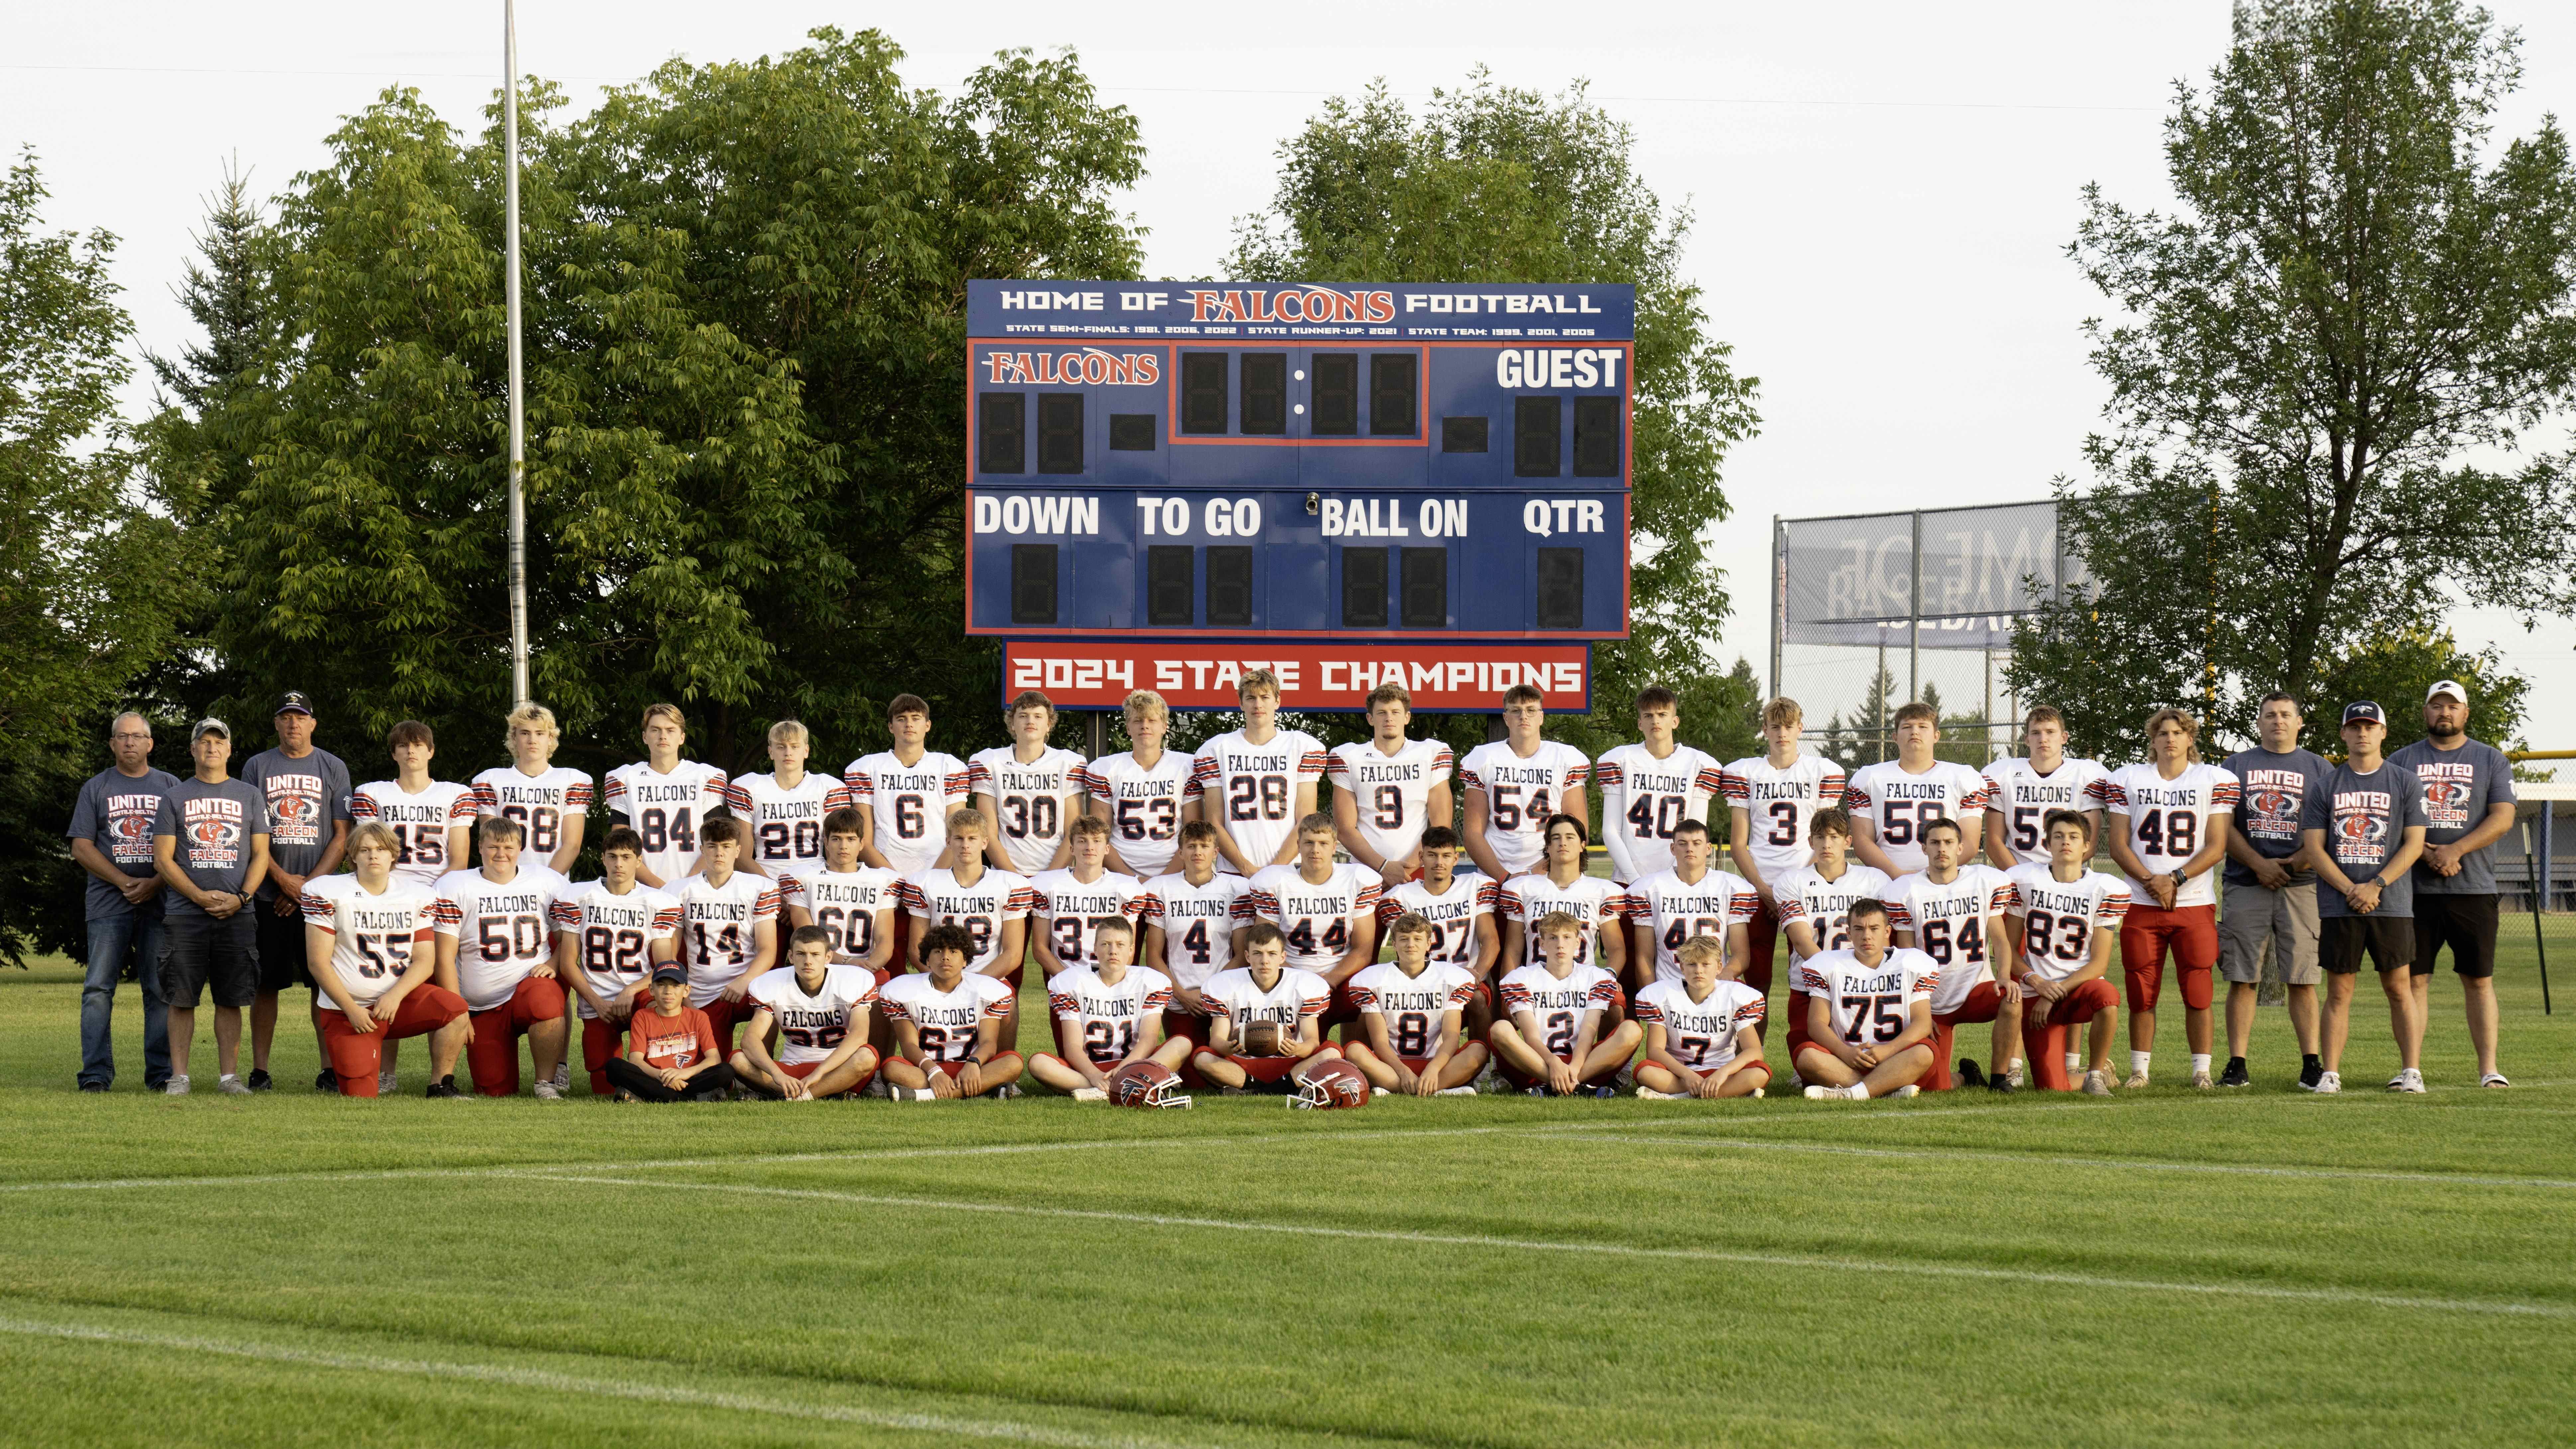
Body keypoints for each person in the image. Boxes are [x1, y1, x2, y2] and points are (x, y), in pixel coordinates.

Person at [2389, 679, 2520, 1088]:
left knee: (2478, 979)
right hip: (2413, 890)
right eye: (2436, 706)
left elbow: (2502, 816)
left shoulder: (2490, 759)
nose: (2443, 712)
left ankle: (2489, 1069)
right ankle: (2411, 1069)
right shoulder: (2401, 759)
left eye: (2452, 706)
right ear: (2424, 712)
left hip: (2474, 887)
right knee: (2415, 980)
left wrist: (2456, 850)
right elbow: (2390, 821)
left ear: (2465, 713)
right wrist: (2429, 854)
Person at [2101, 708, 2238, 1089]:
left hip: (2193, 901)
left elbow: (2217, 845)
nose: (2170, 739)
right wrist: (2151, 880)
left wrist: (2175, 878)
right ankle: (2139, 1070)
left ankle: (2202, 1071)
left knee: (2198, 988)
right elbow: (2117, 844)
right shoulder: (2128, 778)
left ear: (2190, 738)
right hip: (2143, 903)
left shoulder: (2213, 778)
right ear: (2153, 739)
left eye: (2178, 732)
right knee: (2140, 989)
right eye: (2163, 733)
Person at [2300, 701, 2429, 1095]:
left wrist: (2376, 884)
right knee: (2339, 990)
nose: (2361, 733)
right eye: (2354, 726)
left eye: (2369, 726)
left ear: (2383, 733)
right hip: (2340, 903)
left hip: (2390, 902)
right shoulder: (2325, 785)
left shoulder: (2405, 781)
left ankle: (2411, 1070)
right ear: (2342, 733)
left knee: (2398, 986)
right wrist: (2349, 889)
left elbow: (2414, 842)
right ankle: (2331, 1073)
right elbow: (2314, 848)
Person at [303, 821, 471, 1097]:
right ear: (353, 855)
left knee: (455, 1009)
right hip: (349, 1010)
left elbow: (424, 960)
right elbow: (317, 963)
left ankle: (441, 1084)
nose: (373, 856)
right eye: (365, 849)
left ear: (393, 855)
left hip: (400, 1004)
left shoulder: (416, 894)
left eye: (381, 849)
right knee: (360, 1094)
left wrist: (395, 996)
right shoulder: (329, 891)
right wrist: (352, 1009)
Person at [239, 692, 354, 1091]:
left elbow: (342, 836)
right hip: (269, 894)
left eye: (300, 717)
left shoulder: (332, 766)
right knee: (265, 983)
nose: (293, 724)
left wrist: (308, 886)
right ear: (276, 723)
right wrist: (283, 880)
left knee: (322, 982)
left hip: (317, 899)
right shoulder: (257, 766)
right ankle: (260, 1070)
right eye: (286, 717)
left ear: (312, 723)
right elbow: (251, 834)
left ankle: (328, 1069)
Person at [152, 718, 273, 1096]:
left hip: (238, 913)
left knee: (232, 996)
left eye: (219, 742)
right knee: (181, 997)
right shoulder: (174, 797)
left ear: (229, 750)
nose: (211, 748)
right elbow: (163, 859)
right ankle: (180, 1077)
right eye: (203, 742)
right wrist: (198, 896)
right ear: (193, 749)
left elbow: (261, 854)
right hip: (186, 913)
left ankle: (229, 1077)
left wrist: (241, 898)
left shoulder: (250, 795)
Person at [2219, 692, 2330, 1088]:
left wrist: (2297, 861)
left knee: (2302, 977)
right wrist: (2258, 864)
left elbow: (2330, 829)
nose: (2277, 721)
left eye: (2285, 715)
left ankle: (2311, 1063)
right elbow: (2221, 827)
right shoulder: (2234, 767)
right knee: (2241, 975)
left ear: (2300, 722)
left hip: (2301, 885)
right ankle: (2236, 1064)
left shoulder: (2319, 768)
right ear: (2259, 722)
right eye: (2269, 715)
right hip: (2246, 881)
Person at [69, 711, 182, 1092]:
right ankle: (96, 1075)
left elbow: (185, 845)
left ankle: (161, 1074)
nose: (130, 742)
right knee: (99, 988)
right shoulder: (96, 787)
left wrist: (154, 882)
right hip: (108, 902)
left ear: (150, 743)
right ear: (113, 744)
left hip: (162, 900)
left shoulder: (170, 785)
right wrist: (123, 881)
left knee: (159, 988)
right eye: (122, 736)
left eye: (137, 736)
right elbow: (81, 845)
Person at [430, 816, 570, 1097]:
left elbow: (569, 936)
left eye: (508, 847)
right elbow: (444, 957)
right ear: (480, 847)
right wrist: (459, 1011)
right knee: (495, 1088)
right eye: (493, 847)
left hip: (529, 985)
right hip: (482, 1005)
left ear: (520, 848)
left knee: (545, 1002)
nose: (501, 854)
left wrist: (552, 964)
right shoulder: (455, 886)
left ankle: (546, 1082)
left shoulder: (545, 880)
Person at [1723, 696, 1844, 1013]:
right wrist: (1765, 890)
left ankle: (1808, 1052)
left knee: (1811, 975)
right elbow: (1739, 843)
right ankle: (1751, 1055)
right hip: (1757, 885)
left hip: (1806, 884)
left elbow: (1826, 837)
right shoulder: (1746, 772)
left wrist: (1792, 886)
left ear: (1800, 729)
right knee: (1756, 980)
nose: (1782, 733)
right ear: (1765, 729)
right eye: (1775, 726)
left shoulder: (1820, 771)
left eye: (1788, 726)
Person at [1883, 818, 2016, 1091]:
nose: (1941, 849)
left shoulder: (1983, 881)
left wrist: (2003, 976)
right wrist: (1916, 1006)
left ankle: (2000, 1078)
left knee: (2012, 999)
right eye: (1934, 842)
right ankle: (1966, 1076)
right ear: (1924, 848)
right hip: (1933, 997)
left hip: (1975, 988)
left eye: (1948, 842)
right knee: (1937, 1087)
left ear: (1960, 847)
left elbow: (2000, 940)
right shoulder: (1907, 890)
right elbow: (1906, 957)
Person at [550, 825, 681, 1096]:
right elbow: (567, 964)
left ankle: (659, 1074)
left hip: (641, 996)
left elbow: (664, 966)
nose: (619, 863)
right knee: (603, 1084)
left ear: (639, 860)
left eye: (626, 856)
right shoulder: (578, 897)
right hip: (597, 999)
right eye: (612, 856)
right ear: (603, 858)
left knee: (658, 1038)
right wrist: (596, 1002)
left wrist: (632, 990)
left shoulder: (656, 901)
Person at [2004, 811, 2128, 1095]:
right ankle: (2087, 1077)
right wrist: (2038, 983)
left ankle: (2096, 1072)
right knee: (2050, 1087)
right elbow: (2007, 950)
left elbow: (2099, 963)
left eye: (2073, 837)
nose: (2065, 843)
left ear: (2087, 845)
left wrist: (2054, 991)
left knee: (2107, 996)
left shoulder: (2104, 888)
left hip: (2077, 987)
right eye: (2058, 836)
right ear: (2047, 843)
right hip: (2036, 991)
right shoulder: (2024, 880)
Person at [1771, 808, 1890, 1067]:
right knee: (1808, 1057)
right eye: (1820, 837)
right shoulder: (1791, 881)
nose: (1826, 844)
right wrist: (1837, 976)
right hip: (1811, 984)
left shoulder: (1873, 879)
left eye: (1834, 837)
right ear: (1810, 841)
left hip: (1867, 981)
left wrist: (1858, 976)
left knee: (1874, 1050)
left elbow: (1884, 938)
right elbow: (1802, 941)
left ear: (1848, 842)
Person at [1238, 813, 1382, 1018]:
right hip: (1288, 974)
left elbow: (1363, 950)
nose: (1315, 850)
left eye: (1323, 843)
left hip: (1341, 976)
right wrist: (1298, 979)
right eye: (1309, 843)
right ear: (1298, 845)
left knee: (1366, 997)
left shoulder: (1357, 880)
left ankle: (1354, 1048)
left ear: (1334, 847)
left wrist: (1332, 978)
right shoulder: (1275, 881)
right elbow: (1263, 944)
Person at [1030, 917, 1187, 1098]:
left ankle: (1101, 1092)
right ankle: (1128, 1087)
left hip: (1135, 1063)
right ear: (1095, 949)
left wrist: (1124, 1069)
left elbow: (1148, 1040)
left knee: (1182, 1044)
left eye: (1120, 945)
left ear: (1131, 950)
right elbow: (1072, 1047)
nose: (1113, 951)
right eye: (1106, 944)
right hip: (1091, 1067)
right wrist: (1094, 1076)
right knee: (1038, 1063)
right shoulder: (1073, 982)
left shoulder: (1148, 982)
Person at [1793, 899, 1935, 1101]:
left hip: (1895, 1057)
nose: (1867, 936)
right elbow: (1816, 1024)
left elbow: (1923, 1023)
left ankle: (1851, 1093)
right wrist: (1845, 1053)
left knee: (1925, 1053)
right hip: (1844, 1061)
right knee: (1806, 1057)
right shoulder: (1828, 965)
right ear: (1849, 933)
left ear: (1887, 932)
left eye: (1874, 928)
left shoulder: (1911, 963)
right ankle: (1886, 1089)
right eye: (1859, 929)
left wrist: (1888, 1051)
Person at [1191, 668, 1328, 876]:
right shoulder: (1217, 750)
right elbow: (1214, 822)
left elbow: (1305, 819)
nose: (1258, 704)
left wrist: (1276, 869)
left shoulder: (1302, 747)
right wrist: (1247, 869)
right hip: (1234, 872)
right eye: (1251, 698)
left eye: (1265, 697)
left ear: (1277, 701)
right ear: (1241, 703)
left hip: (1290, 870)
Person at [1491, 911, 1640, 1096]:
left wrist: (1575, 1067)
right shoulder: (1522, 978)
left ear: (1578, 943)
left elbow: (1588, 1033)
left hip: (1583, 1063)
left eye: (1567, 937)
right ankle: (1578, 1088)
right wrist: (1553, 1063)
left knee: (1632, 1031)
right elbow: (1532, 1038)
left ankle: (1553, 1087)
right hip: (1535, 1062)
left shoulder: (1596, 977)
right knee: (1500, 1030)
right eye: (1553, 938)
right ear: (1542, 944)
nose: (1560, 945)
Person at [729, 925, 883, 1100]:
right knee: (738, 1060)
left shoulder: (851, 981)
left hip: (838, 1067)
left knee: (867, 1057)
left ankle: (791, 1097)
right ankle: (823, 1093)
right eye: (801, 954)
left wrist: (820, 1072)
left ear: (828, 957)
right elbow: (750, 1040)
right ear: (791, 956)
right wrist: (778, 1074)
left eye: (815, 955)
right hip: (793, 1068)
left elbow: (860, 1035)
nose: (808, 961)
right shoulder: (773, 984)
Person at [1341, 911, 1486, 1095]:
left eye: (1418, 939)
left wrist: (1433, 1069)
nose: (1411, 945)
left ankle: (1396, 1089)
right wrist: (1403, 1072)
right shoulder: (1374, 979)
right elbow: (1380, 1043)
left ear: (1428, 944)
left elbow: (1451, 1038)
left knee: (1478, 1051)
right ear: (1394, 943)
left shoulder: (1450, 978)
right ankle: (1439, 1090)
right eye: (1404, 939)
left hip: (1438, 1064)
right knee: (1354, 1051)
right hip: (1392, 1066)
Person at [1327, 683, 1455, 887]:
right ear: (1370, 718)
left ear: (1407, 717)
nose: (1389, 718)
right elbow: (1345, 829)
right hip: (1366, 871)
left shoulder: (1429, 753)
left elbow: (1441, 826)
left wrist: (1404, 871)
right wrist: (1383, 867)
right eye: (1382, 713)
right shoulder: (1349, 757)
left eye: (1396, 712)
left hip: (1419, 870)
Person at [1377, 825, 1501, 1036]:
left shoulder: (1475, 886)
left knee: (1478, 999)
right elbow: (1406, 946)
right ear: (1421, 856)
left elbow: (1491, 940)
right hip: (1421, 979)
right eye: (1432, 855)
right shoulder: (1400, 897)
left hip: (1465, 974)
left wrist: (1477, 974)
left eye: (1446, 856)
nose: (1439, 862)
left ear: (1456, 858)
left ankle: (1481, 1068)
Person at [1459, 684, 1590, 883]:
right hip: (1495, 874)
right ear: (1506, 718)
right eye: (1516, 711)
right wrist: (1504, 877)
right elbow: (1473, 834)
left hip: (1553, 874)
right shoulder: (1483, 758)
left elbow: (1577, 831)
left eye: (1531, 710)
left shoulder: (1565, 759)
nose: (1524, 717)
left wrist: (1536, 873)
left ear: (1541, 717)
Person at [1192, 921, 1342, 1094]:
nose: (1265, 961)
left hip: (1291, 1063)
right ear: (1248, 957)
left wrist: (1298, 1049)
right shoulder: (1226, 984)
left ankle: (1259, 1091)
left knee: (1332, 1052)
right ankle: (1279, 1089)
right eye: (1258, 954)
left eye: (1272, 954)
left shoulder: (1303, 985)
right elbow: (1216, 1040)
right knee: (1202, 1058)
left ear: (1283, 957)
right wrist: (1230, 1048)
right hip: (1243, 1064)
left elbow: (1312, 1041)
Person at [1597, 684, 1725, 886]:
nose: (1655, 721)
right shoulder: (1621, 760)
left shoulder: (1699, 764)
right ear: (1640, 724)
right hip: (1628, 879)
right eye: (1648, 716)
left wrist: (1674, 878)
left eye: (1662, 714)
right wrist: (1634, 880)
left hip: (1680, 879)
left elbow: (1695, 831)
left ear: (1675, 722)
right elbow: (1611, 831)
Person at [1843, 702, 1990, 878]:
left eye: (1923, 726)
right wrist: (1897, 875)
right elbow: (1862, 841)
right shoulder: (1869, 778)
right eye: (1907, 727)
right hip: (1888, 880)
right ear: (1895, 736)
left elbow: (1970, 843)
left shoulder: (1963, 777)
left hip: (1943, 882)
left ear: (1936, 736)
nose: (1915, 732)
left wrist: (1933, 876)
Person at [673, 815, 780, 1054]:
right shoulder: (680, 891)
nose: (719, 853)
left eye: (726, 846)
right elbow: (671, 955)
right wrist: (685, 995)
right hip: (703, 992)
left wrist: (744, 981)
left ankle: (762, 1064)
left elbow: (768, 949)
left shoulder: (759, 888)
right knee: (714, 1072)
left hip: (747, 984)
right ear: (702, 850)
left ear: (738, 850)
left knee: (770, 999)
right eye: (712, 846)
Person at [879, 923, 1023, 1099]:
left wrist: (974, 1063)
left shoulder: (984, 990)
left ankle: (924, 1096)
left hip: (971, 1067)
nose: (945, 958)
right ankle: (983, 1091)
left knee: (1013, 1062)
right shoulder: (905, 991)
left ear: (965, 960)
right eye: (938, 952)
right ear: (927, 960)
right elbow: (909, 1046)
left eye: (953, 952)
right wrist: (933, 1072)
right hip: (926, 1068)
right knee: (891, 1068)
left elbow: (989, 1043)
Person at [1138, 820, 1247, 1048]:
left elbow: (1240, 954)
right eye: (1191, 846)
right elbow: (1154, 956)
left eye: (1204, 846)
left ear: (1216, 852)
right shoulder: (1162, 888)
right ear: (1181, 852)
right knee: (1191, 1074)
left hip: (1224, 992)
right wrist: (1181, 994)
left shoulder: (1236, 888)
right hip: (1181, 997)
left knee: (1223, 1061)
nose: (1198, 851)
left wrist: (1209, 991)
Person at [899, 807, 1033, 987]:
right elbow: (917, 950)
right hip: (939, 980)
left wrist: (973, 985)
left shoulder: (1009, 885)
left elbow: (1013, 954)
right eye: (959, 838)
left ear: (985, 842)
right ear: (948, 842)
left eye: (972, 839)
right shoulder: (926, 883)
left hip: (989, 978)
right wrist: (946, 983)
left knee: (1009, 1009)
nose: (965, 845)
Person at [601, 703, 729, 889]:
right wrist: (661, 888)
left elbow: (715, 840)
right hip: (642, 888)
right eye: (656, 730)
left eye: (671, 730)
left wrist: (685, 886)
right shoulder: (626, 778)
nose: (663, 736)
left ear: (682, 737)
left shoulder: (704, 777)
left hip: (699, 887)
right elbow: (619, 845)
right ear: (645, 737)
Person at [1496, 815, 1630, 989]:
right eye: (1556, 838)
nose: (1563, 843)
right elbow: (1513, 950)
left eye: (1570, 837)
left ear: (1583, 845)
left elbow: (1616, 949)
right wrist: (1510, 989)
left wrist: (1608, 977)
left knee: (1616, 1008)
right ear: (1548, 847)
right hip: (1536, 984)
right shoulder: (1524, 889)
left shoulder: (1601, 892)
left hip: (1584, 985)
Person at [1623, 818, 1756, 993]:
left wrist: (1724, 978)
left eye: (1697, 843)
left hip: (1715, 984)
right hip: (1670, 985)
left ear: (1708, 848)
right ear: (1673, 849)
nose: (1690, 849)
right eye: (1683, 843)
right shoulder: (1650, 889)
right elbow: (1644, 957)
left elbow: (1741, 954)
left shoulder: (1730, 888)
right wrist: (1651, 995)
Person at [1632, 937, 1770, 1100]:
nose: (1699, 970)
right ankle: (1725, 1093)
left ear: (1719, 967)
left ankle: (1680, 1096)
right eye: (1692, 964)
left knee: (1760, 1073)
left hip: (1721, 1071)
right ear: (1682, 967)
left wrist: (1723, 1073)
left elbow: (1753, 1050)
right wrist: (1687, 1075)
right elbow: (1655, 1051)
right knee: (1645, 1072)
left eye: (1706, 964)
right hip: (1678, 1073)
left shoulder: (1734, 995)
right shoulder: (1662, 995)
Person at [970, 690, 1087, 877]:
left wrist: (1047, 880)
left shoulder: (1068, 763)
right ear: (1012, 724)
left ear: (1049, 724)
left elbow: (1072, 833)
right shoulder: (990, 762)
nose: (1030, 721)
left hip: (1057, 876)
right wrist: (1016, 881)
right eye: (1023, 716)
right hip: (1005, 875)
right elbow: (988, 834)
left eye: (1038, 716)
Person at [468, 701, 590, 876]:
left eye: (539, 733)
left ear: (550, 738)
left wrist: (547, 883)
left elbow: (572, 845)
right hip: (504, 881)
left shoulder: (573, 781)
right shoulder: (491, 781)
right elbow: (492, 843)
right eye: (525, 733)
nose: (532, 740)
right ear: (514, 738)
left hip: (553, 881)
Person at [778, 807, 899, 979]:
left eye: (851, 839)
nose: (844, 846)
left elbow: (885, 942)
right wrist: (847, 963)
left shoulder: (882, 881)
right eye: (837, 839)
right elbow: (807, 938)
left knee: (880, 992)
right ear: (826, 842)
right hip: (818, 967)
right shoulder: (804, 878)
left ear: (862, 844)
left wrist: (867, 970)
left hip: (867, 966)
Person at [1083, 690, 1193, 880]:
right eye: (1138, 721)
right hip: (1119, 875)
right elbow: (1098, 837)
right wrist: (1132, 881)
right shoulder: (1108, 769)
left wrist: (1163, 881)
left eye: (1152, 720)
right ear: (1128, 728)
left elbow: (1193, 833)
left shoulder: (1186, 767)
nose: (1145, 726)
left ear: (1165, 726)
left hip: (1177, 874)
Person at [350, 721, 474, 890]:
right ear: (394, 754)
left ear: (431, 752)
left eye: (418, 745)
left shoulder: (455, 794)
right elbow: (368, 854)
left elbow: (459, 863)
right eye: (403, 745)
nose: (411, 751)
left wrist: (432, 894)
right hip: (386, 888)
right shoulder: (372, 793)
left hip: (439, 888)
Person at [1981, 705, 2106, 871]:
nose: (2043, 739)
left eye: (2050, 732)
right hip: (2017, 873)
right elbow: (1994, 843)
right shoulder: (2003, 775)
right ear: (2026, 739)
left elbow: (2089, 845)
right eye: (2036, 733)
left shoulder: (2086, 775)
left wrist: (2056, 875)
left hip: (2066, 876)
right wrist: (2022, 877)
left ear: (2064, 737)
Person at [725, 719, 848, 880]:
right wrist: (772, 890)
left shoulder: (827, 788)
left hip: (816, 880)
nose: (788, 752)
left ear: (806, 751)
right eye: (781, 747)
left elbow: (840, 850)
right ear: (771, 752)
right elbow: (742, 856)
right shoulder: (751, 788)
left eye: (795, 747)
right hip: (765, 880)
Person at [1029, 815, 1148, 976]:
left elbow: (1127, 949)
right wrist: (1068, 980)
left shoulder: (1125, 888)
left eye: (1097, 841)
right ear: (1071, 848)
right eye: (1082, 841)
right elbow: (1040, 948)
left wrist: (1104, 981)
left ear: (1107, 848)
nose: (1089, 847)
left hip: (1108, 981)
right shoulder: (1049, 885)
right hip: (1064, 980)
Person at [607, 965, 741, 1102]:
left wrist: (684, 1073)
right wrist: (664, 1077)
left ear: (686, 991)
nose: (668, 992)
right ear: (651, 989)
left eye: (676, 986)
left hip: (689, 1079)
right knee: (614, 1067)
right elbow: (636, 1060)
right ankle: (693, 1098)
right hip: (656, 1078)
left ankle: (651, 1096)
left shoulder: (699, 1017)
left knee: (726, 1070)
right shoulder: (642, 1017)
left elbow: (714, 1058)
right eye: (661, 985)